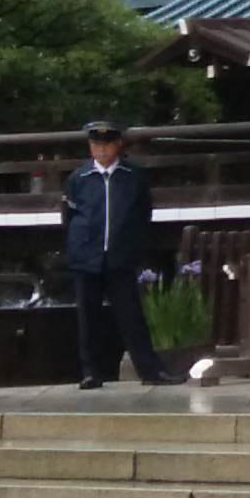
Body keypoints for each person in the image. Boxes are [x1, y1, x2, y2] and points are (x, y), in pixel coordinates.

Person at [62, 119, 164, 389]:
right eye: (96, 144)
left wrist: (133, 244)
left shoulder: (133, 176)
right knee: (88, 316)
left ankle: (150, 370)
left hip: (120, 255)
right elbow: (69, 216)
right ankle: (91, 372)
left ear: (118, 144)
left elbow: (144, 213)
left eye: (107, 144)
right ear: (90, 147)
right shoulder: (78, 178)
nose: (102, 150)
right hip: (86, 256)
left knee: (131, 314)